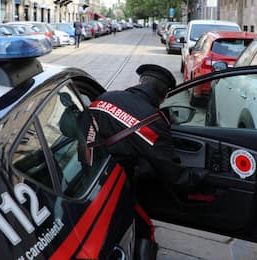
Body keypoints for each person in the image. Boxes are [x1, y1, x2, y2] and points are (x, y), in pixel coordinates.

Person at [86, 64, 209, 259]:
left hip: (83, 174)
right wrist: (204, 176)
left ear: (141, 82)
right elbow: (174, 175)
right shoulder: (152, 120)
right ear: (163, 96)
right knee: (145, 228)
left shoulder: (104, 98)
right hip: (111, 187)